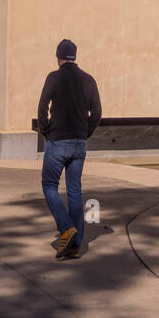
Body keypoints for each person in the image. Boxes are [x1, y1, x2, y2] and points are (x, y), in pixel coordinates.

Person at [37, 38, 101, 259]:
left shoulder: (53, 78)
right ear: (75, 56)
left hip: (58, 142)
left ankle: (66, 228)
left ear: (58, 57)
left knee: (49, 185)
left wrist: (46, 131)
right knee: (74, 190)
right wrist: (85, 133)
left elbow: (42, 107)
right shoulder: (88, 80)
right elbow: (97, 113)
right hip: (79, 143)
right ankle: (76, 246)